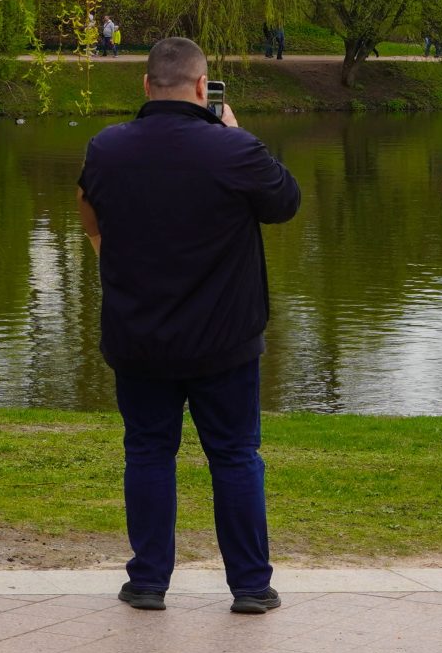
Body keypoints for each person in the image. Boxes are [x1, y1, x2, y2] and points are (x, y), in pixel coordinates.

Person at [78, 37, 301, 617]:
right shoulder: (234, 150)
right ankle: (250, 586)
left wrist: (104, 249)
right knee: (234, 456)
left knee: (148, 453)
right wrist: (233, 132)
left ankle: (149, 581)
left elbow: (86, 200)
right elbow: (285, 203)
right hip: (224, 341)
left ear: (146, 86)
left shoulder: (108, 148)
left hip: (140, 337)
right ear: (205, 89)